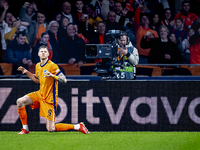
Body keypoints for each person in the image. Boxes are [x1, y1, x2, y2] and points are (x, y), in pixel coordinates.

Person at [16, 45, 89, 134]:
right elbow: (37, 80)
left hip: (49, 99)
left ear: (48, 54)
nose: (43, 53)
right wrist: (27, 72)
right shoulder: (38, 65)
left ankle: (78, 126)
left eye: (45, 52)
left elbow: (64, 80)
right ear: (38, 54)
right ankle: (25, 129)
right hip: (40, 94)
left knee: (51, 128)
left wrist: (52, 76)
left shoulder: (52, 66)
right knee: (20, 101)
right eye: (41, 51)